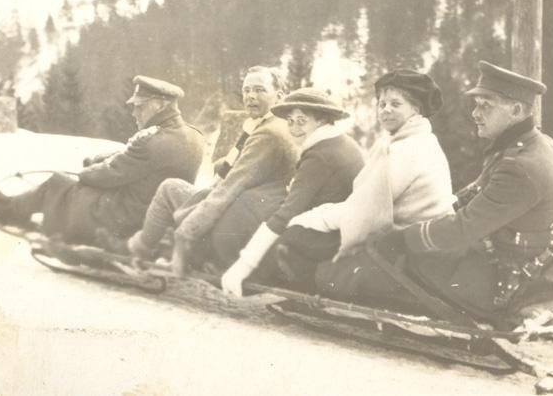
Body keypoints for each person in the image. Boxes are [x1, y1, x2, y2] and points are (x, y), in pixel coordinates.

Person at [315, 61, 553, 324]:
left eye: (486, 105)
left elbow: (464, 227)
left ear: (516, 110)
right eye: (476, 105)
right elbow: (478, 192)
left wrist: (402, 239)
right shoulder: (534, 144)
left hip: (510, 281)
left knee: (393, 269)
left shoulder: (521, 165)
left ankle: (324, 281)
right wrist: (444, 205)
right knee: (407, 257)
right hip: (538, 265)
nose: (475, 114)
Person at [0, 75, 205, 249]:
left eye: (140, 106)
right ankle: (15, 207)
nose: (134, 113)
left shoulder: (152, 142)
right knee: (71, 185)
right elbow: (137, 164)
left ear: (159, 105)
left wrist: (88, 169)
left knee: (59, 182)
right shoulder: (194, 136)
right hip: (155, 217)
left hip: (123, 219)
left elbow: (103, 176)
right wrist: (102, 160)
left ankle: (9, 207)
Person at [282, 69, 455, 284]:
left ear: (416, 109)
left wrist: (312, 218)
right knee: (309, 227)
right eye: (382, 104)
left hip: (404, 246)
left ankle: (313, 287)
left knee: (296, 235)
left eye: (395, 104)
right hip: (416, 237)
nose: (386, 110)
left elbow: (363, 213)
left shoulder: (406, 149)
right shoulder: (418, 141)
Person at [127, 66, 299, 275]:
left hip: (241, 221)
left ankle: (138, 252)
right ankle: (159, 251)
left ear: (279, 96)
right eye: (247, 90)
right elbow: (238, 170)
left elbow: (231, 186)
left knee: (169, 188)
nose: (251, 96)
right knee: (185, 195)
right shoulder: (273, 126)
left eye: (260, 90)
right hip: (254, 212)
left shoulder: (268, 134)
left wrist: (188, 230)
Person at [220, 88, 365, 296]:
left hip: (325, 241)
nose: (294, 129)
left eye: (302, 121)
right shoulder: (341, 142)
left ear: (322, 121)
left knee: (256, 220)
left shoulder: (320, 156)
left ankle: (239, 275)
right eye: (290, 121)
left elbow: (286, 214)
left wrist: (243, 265)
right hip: (343, 230)